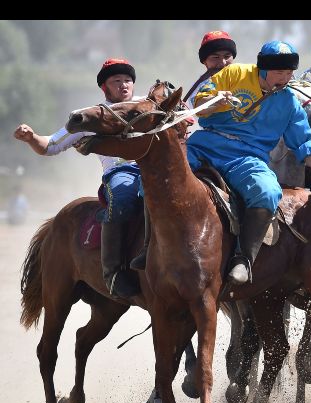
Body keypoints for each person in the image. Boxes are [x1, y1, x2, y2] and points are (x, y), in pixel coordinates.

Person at [186, 40, 311, 285]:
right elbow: (199, 105)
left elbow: (304, 145)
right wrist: (217, 101)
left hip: (247, 158)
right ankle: (146, 245)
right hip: (204, 146)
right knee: (157, 178)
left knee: (268, 192)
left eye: (289, 73)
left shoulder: (289, 102)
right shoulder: (234, 73)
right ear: (262, 70)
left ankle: (243, 259)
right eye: (279, 73)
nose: (284, 79)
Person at [14, 58, 143, 298]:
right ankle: (113, 272)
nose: (124, 85)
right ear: (104, 87)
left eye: (128, 80)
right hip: (120, 174)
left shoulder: (147, 106)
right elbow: (50, 145)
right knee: (123, 200)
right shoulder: (91, 117)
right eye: (117, 81)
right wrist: (31, 137)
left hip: (154, 169)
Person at [131, 30, 239, 271]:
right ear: (204, 61)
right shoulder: (199, 87)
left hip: (244, 147)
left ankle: (247, 256)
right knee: (151, 184)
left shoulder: (245, 79)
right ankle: (148, 245)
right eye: (214, 58)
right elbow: (183, 118)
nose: (221, 63)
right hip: (204, 146)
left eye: (226, 56)